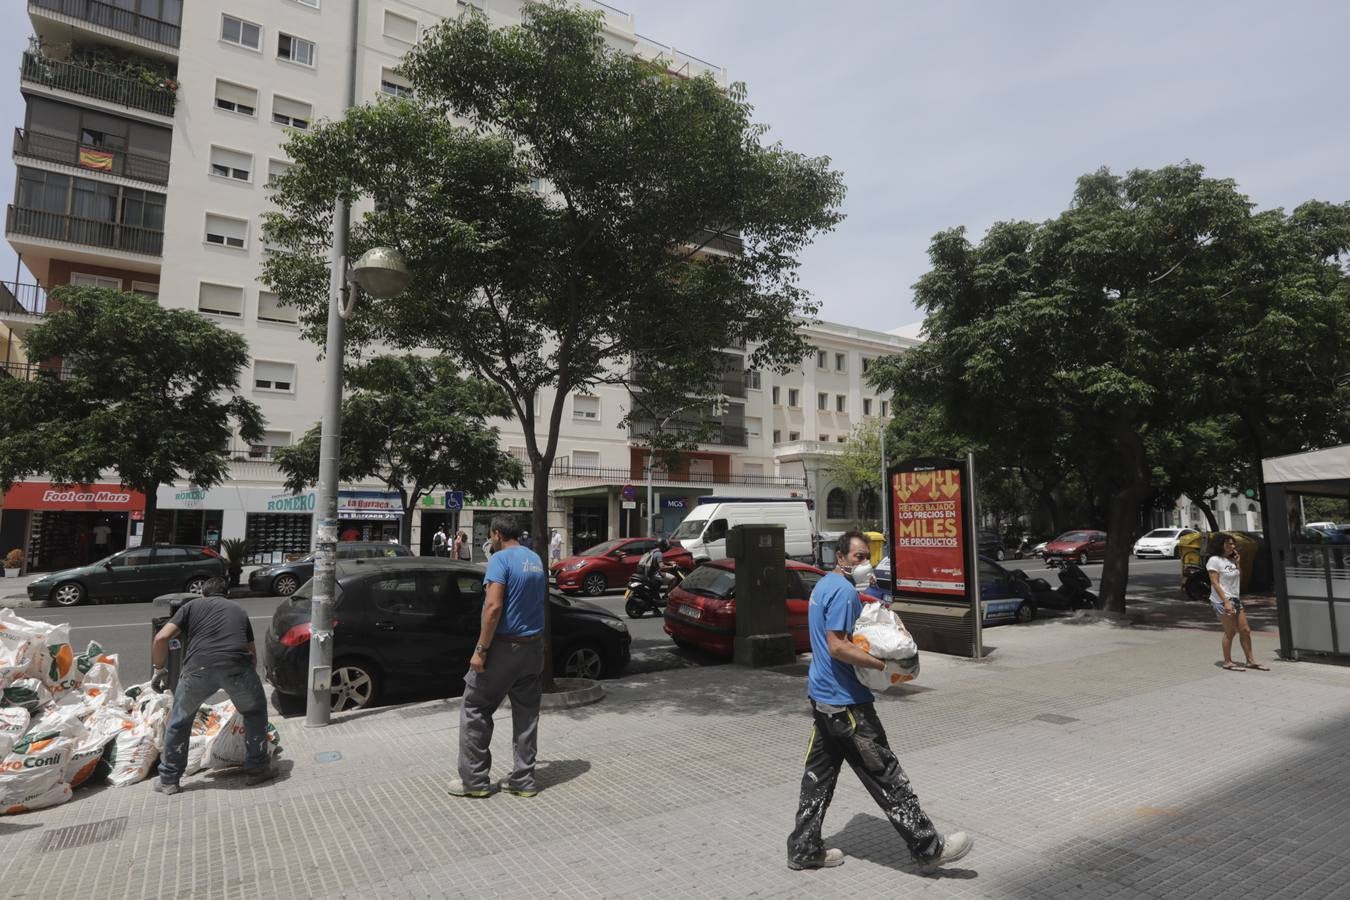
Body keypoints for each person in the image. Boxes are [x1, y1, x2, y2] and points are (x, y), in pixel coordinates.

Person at [787, 531, 972, 871]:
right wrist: (883, 666)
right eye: (858, 557)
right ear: (841, 557)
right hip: (847, 705)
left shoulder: (823, 586)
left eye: (867, 556)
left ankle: (803, 848)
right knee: (886, 774)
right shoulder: (843, 592)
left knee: (818, 778)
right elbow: (838, 646)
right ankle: (928, 847)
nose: (865, 563)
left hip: (823, 699)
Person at [448, 517, 547, 799]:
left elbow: (493, 607)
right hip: (533, 647)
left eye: (491, 535)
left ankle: (474, 781)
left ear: (497, 534)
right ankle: (524, 780)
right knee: (527, 715)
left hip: (504, 647)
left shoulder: (500, 560)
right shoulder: (535, 559)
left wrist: (480, 650)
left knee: (475, 707)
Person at [151, 577, 271, 794]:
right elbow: (251, 652)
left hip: (198, 670)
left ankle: (169, 780)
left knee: (179, 721)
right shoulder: (239, 610)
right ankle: (257, 770)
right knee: (255, 712)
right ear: (227, 594)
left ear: (203, 594)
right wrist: (247, 681)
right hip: (237, 667)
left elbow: (161, 638)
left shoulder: (190, 607)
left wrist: (159, 668)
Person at [1208, 533, 1268, 671]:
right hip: (1222, 600)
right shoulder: (1214, 560)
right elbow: (1215, 583)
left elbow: (1238, 576)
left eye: (1233, 544)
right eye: (1228, 544)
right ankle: (1227, 662)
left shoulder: (1231, 560)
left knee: (1245, 630)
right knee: (1230, 631)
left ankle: (1250, 661)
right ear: (1220, 545)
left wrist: (1237, 563)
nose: (1232, 546)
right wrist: (1226, 601)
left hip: (1235, 598)